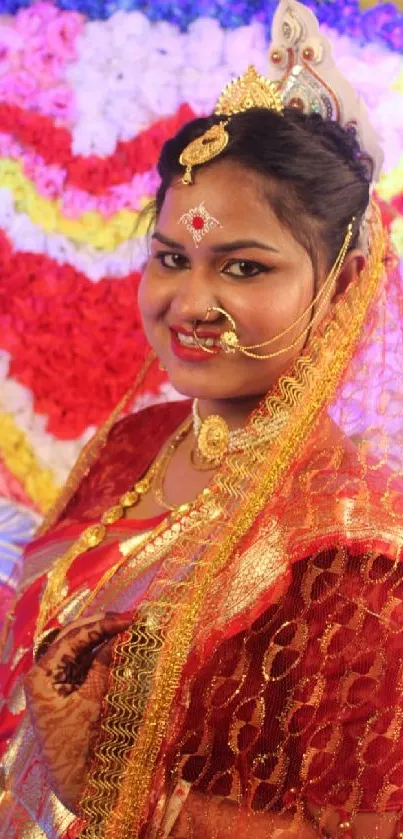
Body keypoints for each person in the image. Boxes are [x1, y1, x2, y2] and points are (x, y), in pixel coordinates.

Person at [1, 1, 403, 836]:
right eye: (172, 259)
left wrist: (124, 794)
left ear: (340, 280)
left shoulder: (351, 555)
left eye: (244, 267)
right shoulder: (134, 446)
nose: (191, 302)